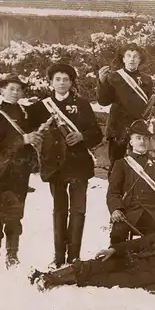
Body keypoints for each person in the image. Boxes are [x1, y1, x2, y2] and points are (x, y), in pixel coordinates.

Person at [29, 203, 155, 296]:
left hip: (146, 277)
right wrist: (114, 250)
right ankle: (48, 278)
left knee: (104, 280)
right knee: (95, 264)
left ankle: (54, 280)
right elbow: (140, 243)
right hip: (134, 260)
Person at [30, 62, 103, 269]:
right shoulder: (40, 106)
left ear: (71, 82)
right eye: (57, 79)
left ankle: (74, 257)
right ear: (51, 82)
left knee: (78, 210)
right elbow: (25, 127)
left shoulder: (82, 104)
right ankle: (59, 256)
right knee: (59, 210)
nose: (62, 83)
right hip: (55, 166)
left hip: (79, 164)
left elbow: (97, 134)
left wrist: (82, 136)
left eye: (66, 79)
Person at [0, 74, 43, 275]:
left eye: (19, 89)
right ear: (2, 91)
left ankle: (12, 255)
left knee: (15, 214)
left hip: (20, 172)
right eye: (11, 88)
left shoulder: (26, 114)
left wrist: (33, 141)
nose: (15, 92)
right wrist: (24, 139)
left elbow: (30, 141)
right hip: (0, 171)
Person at [107, 119, 155, 244]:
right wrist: (116, 209)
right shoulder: (121, 164)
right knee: (117, 234)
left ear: (149, 142)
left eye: (145, 139)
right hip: (130, 213)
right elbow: (113, 193)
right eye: (138, 138)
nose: (142, 141)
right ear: (131, 141)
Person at [97, 42, 154, 178]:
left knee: (139, 164)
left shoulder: (147, 80)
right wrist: (101, 81)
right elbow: (103, 101)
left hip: (138, 126)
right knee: (116, 164)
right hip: (118, 127)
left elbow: (150, 104)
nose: (132, 59)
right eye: (128, 56)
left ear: (140, 60)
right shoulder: (114, 77)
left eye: (135, 56)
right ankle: (114, 195)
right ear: (123, 59)